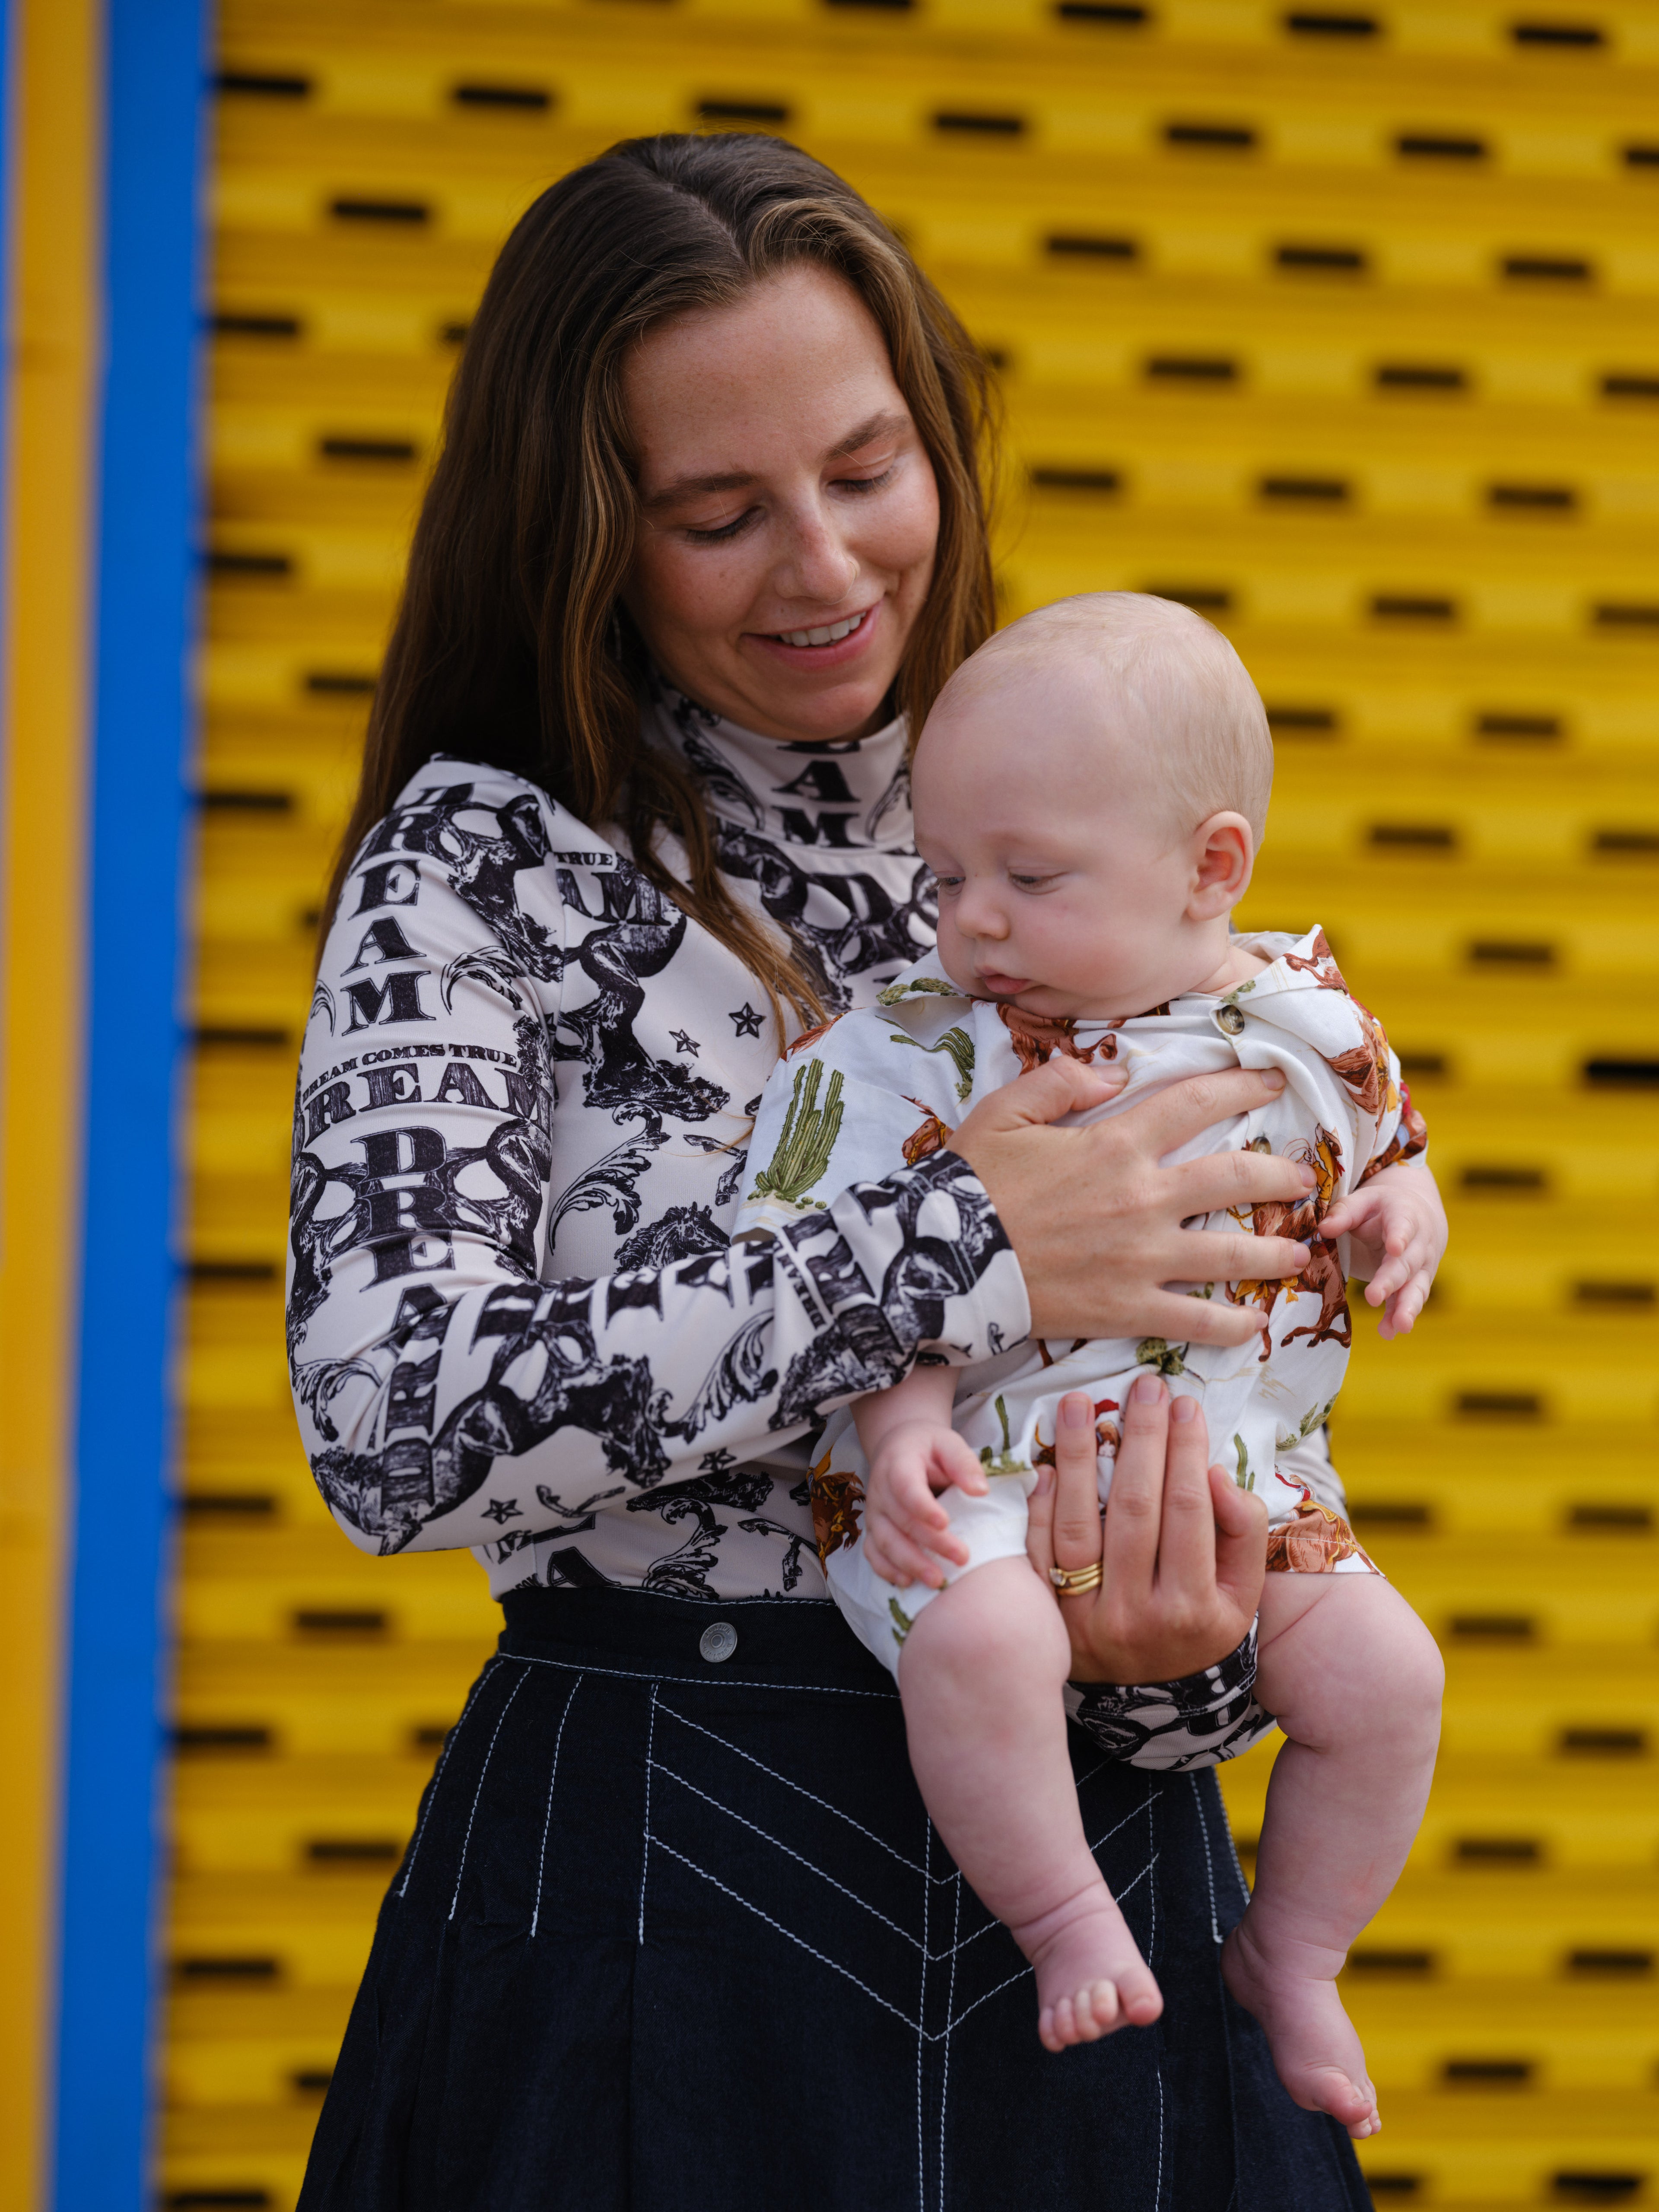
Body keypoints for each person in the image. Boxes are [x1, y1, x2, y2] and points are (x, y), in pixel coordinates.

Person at [287, 131, 1410, 2210]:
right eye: (718, 515)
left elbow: (1215, 1332)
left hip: (1100, 1888)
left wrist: (1186, 1677)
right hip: (657, 1872)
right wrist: (960, 1239)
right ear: (585, 530)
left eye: (869, 469)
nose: (823, 567)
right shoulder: (481, 865)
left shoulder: (1054, 775)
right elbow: (387, 1413)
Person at [735, 594, 1448, 2136]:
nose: (970, 920)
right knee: (983, 1651)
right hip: (985, 1487)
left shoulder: (1306, 1020)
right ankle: (1062, 1919)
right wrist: (909, 1414)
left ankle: (1298, 1950)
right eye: (946, 877)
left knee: (1392, 1680)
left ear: (1212, 866)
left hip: (1249, 1490)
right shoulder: (920, 1044)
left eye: (1028, 877)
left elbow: (1394, 1147)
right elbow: (853, 1248)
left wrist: (1407, 1212)